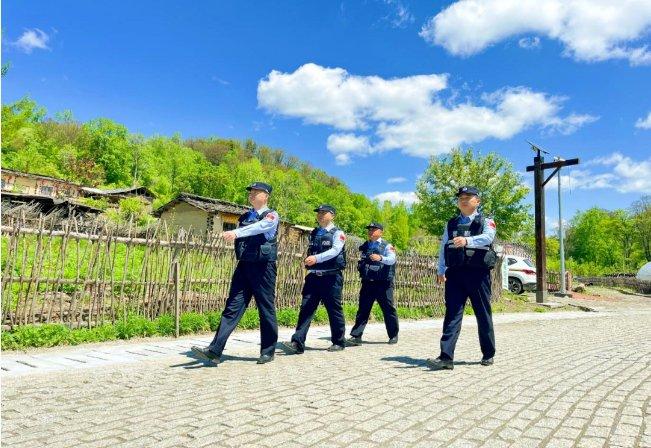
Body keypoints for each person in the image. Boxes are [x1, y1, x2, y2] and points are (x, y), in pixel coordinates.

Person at [191, 182, 279, 366]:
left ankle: (268, 351)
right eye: (251, 192)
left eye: (256, 192)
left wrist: (236, 233)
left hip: (263, 268)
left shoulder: (272, 216)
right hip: (244, 265)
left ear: (266, 196)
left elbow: (260, 228)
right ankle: (215, 350)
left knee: (265, 308)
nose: (252, 194)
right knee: (232, 307)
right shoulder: (245, 216)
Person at [427, 186, 498, 370]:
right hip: (455, 274)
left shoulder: (486, 221)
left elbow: (488, 238)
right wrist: (441, 269)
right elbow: (444, 246)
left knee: (482, 314)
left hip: (478, 274)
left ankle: (488, 353)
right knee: (452, 314)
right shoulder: (451, 223)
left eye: (468, 197)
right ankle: (446, 357)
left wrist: (468, 241)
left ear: (478, 201)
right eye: (461, 198)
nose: (464, 200)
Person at [281, 204, 347, 354]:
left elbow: (335, 251)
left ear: (333, 215)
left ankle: (338, 341)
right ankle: (297, 342)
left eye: (324, 212)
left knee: (333, 310)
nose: (320, 215)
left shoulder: (338, 233)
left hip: (331, 277)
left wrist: (316, 258)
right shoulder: (314, 232)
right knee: (306, 308)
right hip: (313, 277)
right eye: (319, 212)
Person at [347, 222, 399, 346]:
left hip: (383, 283)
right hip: (367, 282)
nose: (371, 231)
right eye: (369, 229)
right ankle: (356, 336)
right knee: (363, 309)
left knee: (388, 309)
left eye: (374, 229)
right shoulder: (365, 245)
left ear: (381, 232)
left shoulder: (387, 246)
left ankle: (393, 335)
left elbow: (392, 259)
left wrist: (381, 258)